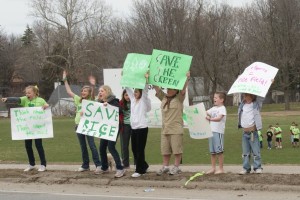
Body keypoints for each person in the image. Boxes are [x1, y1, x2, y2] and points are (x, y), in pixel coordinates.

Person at [2, 85, 49, 172]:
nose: (27, 94)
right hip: (27, 128)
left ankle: (43, 164)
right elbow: (17, 99)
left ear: (34, 93)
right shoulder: (25, 99)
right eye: (26, 93)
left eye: (29, 93)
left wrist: (46, 106)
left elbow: (46, 105)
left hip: (38, 128)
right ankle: (31, 164)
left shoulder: (40, 100)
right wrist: (7, 99)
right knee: (28, 146)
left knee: (39, 145)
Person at [62, 71, 101, 173]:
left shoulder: (92, 101)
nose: (83, 92)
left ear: (89, 93)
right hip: (78, 125)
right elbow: (69, 92)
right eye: (82, 91)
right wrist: (65, 80)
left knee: (92, 145)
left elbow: (95, 96)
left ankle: (98, 165)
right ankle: (85, 165)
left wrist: (92, 86)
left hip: (88, 126)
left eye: (85, 91)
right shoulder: (78, 99)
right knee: (83, 146)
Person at [153, 71, 190, 175]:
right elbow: (157, 89)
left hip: (176, 128)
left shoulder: (179, 98)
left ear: (175, 90)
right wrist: (150, 77)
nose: (168, 90)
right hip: (165, 129)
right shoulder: (164, 98)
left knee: (177, 149)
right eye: (168, 88)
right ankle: (165, 166)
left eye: (171, 88)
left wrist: (186, 79)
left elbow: (183, 91)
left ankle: (176, 167)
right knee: (165, 150)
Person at [125, 74, 151, 178]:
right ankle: (144, 165)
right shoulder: (132, 100)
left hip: (142, 128)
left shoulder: (143, 100)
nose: (134, 93)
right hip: (134, 128)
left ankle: (139, 170)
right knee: (134, 149)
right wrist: (124, 77)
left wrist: (146, 79)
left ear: (140, 92)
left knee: (140, 149)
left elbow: (145, 90)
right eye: (134, 92)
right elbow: (127, 88)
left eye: (136, 91)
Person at [96, 85, 125, 178]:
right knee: (102, 147)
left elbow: (120, 110)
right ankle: (104, 167)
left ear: (107, 92)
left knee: (111, 147)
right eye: (99, 91)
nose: (100, 92)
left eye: (102, 91)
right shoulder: (99, 103)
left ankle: (120, 168)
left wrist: (108, 105)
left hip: (113, 128)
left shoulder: (114, 101)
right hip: (105, 128)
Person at [238, 93, 264, 175]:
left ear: (252, 96)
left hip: (253, 132)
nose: (245, 97)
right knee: (245, 152)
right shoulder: (242, 105)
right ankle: (246, 168)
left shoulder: (256, 104)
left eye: (247, 96)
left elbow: (261, 98)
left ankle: (257, 167)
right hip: (245, 132)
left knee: (256, 151)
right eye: (244, 96)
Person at [205, 92, 227, 175]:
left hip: (218, 132)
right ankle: (213, 168)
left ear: (221, 100)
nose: (214, 99)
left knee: (219, 151)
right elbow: (206, 112)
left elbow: (219, 118)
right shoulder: (213, 108)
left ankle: (221, 168)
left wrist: (210, 119)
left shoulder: (222, 108)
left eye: (216, 97)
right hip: (211, 132)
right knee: (212, 152)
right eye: (214, 97)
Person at [119, 89, 134, 169]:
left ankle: (137, 163)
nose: (127, 97)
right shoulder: (120, 103)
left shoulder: (135, 102)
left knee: (135, 146)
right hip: (125, 126)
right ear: (123, 96)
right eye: (126, 95)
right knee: (124, 146)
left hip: (134, 126)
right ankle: (126, 164)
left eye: (129, 95)